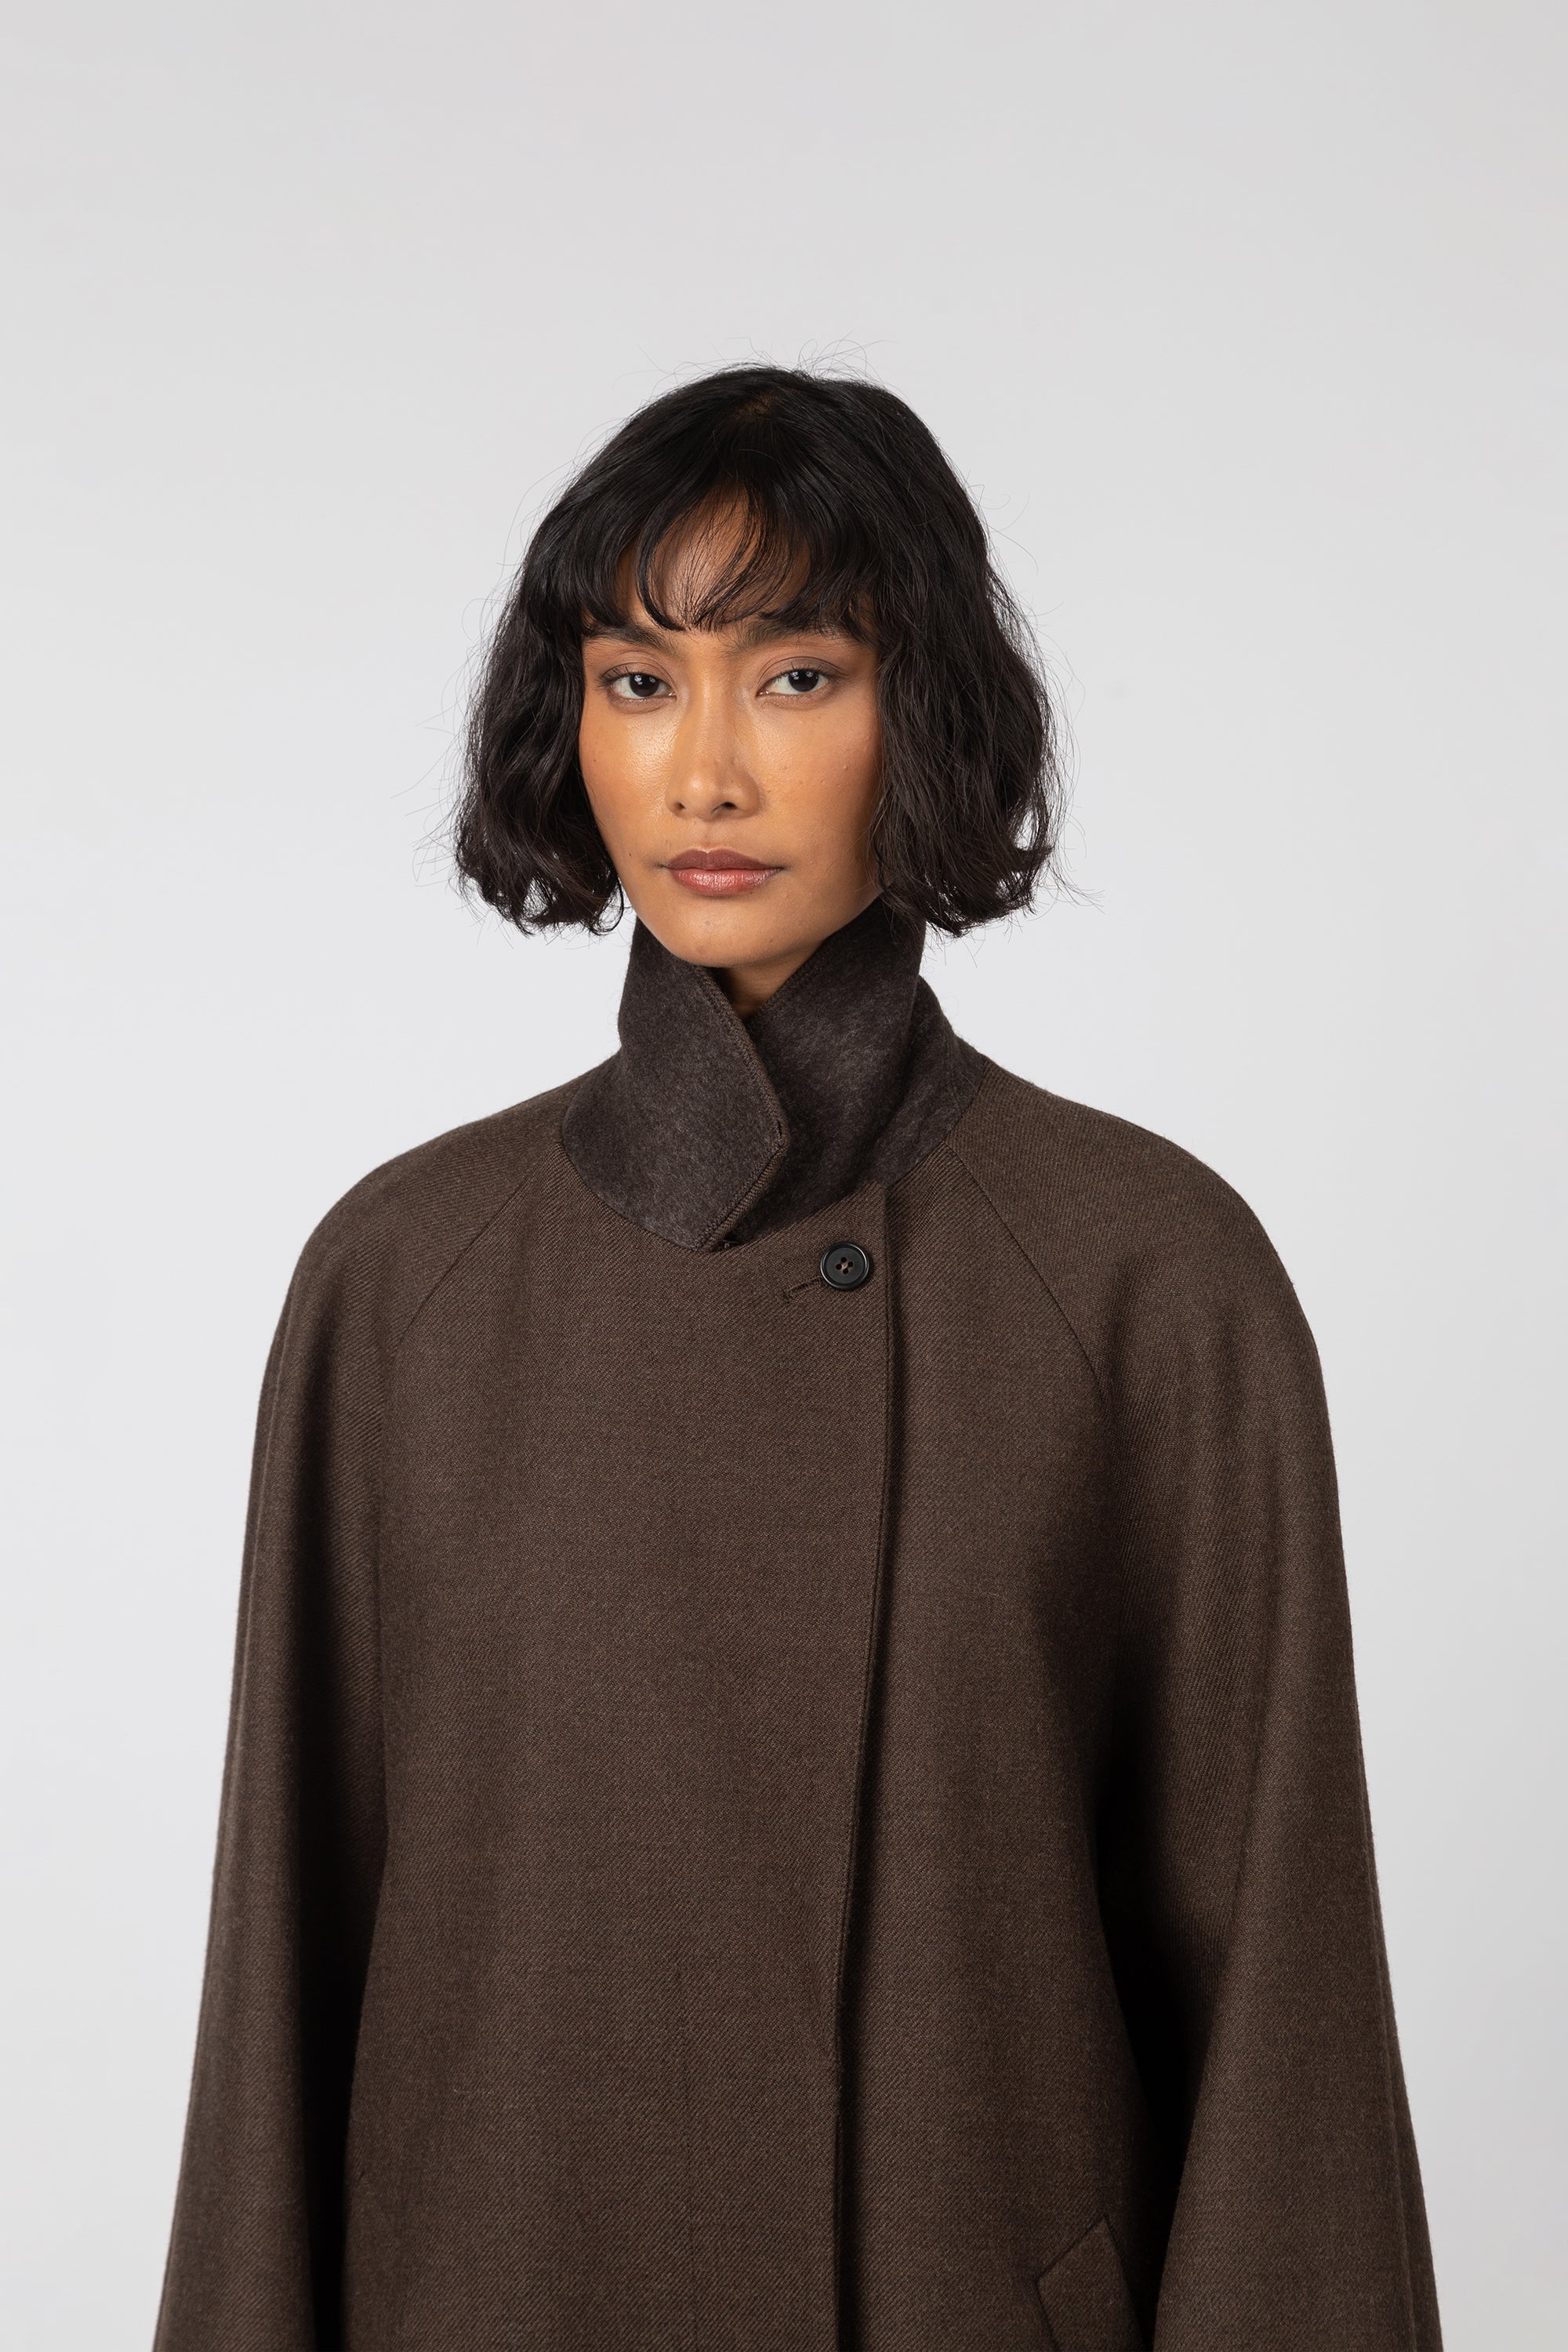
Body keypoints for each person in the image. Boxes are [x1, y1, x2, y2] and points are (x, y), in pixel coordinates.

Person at [154, 365, 1441, 2351]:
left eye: (797, 677)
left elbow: (1285, 2019)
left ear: (921, 711)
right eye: (637, 680)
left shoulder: (1145, 1277)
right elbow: (277, 1998)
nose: (704, 774)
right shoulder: (401, 1285)